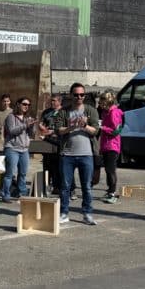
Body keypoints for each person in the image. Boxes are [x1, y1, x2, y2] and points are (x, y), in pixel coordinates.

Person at [55, 83, 99, 226]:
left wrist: (84, 126)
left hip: (86, 154)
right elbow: (58, 130)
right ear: (71, 95)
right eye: (76, 95)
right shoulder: (64, 111)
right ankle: (64, 213)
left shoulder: (90, 110)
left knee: (87, 186)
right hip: (67, 154)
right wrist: (72, 126)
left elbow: (95, 131)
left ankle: (87, 214)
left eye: (82, 95)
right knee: (65, 186)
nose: (79, 97)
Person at [0, 97, 36, 202]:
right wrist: (25, 125)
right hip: (12, 148)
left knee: (23, 173)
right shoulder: (11, 117)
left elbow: (31, 134)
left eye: (28, 105)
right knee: (10, 174)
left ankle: (22, 193)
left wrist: (32, 126)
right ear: (18, 104)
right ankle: (5, 194)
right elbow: (12, 131)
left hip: (24, 149)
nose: (26, 106)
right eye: (24, 104)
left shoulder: (27, 118)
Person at [97, 90, 124, 204]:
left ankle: (112, 192)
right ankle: (110, 191)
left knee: (110, 169)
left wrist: (102, 127)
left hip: (112, 145)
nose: (100, 104)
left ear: (107, 102)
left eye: (101, 102)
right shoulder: (106, 112)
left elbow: (116, 131)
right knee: (108, 169)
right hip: (106, 145)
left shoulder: (114, 113)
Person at [38, 94, 63, 195]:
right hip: (47, 141)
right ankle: (46, 186)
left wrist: (54, 132)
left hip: (59, 142)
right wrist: (41, 127)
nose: (52, 102)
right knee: (47, 165)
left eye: (54, 100)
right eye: (51, 100)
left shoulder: (64, 112)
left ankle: (58, 187)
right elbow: (41, 124)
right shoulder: (46, 112)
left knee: (58, 166)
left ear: (59, 101)